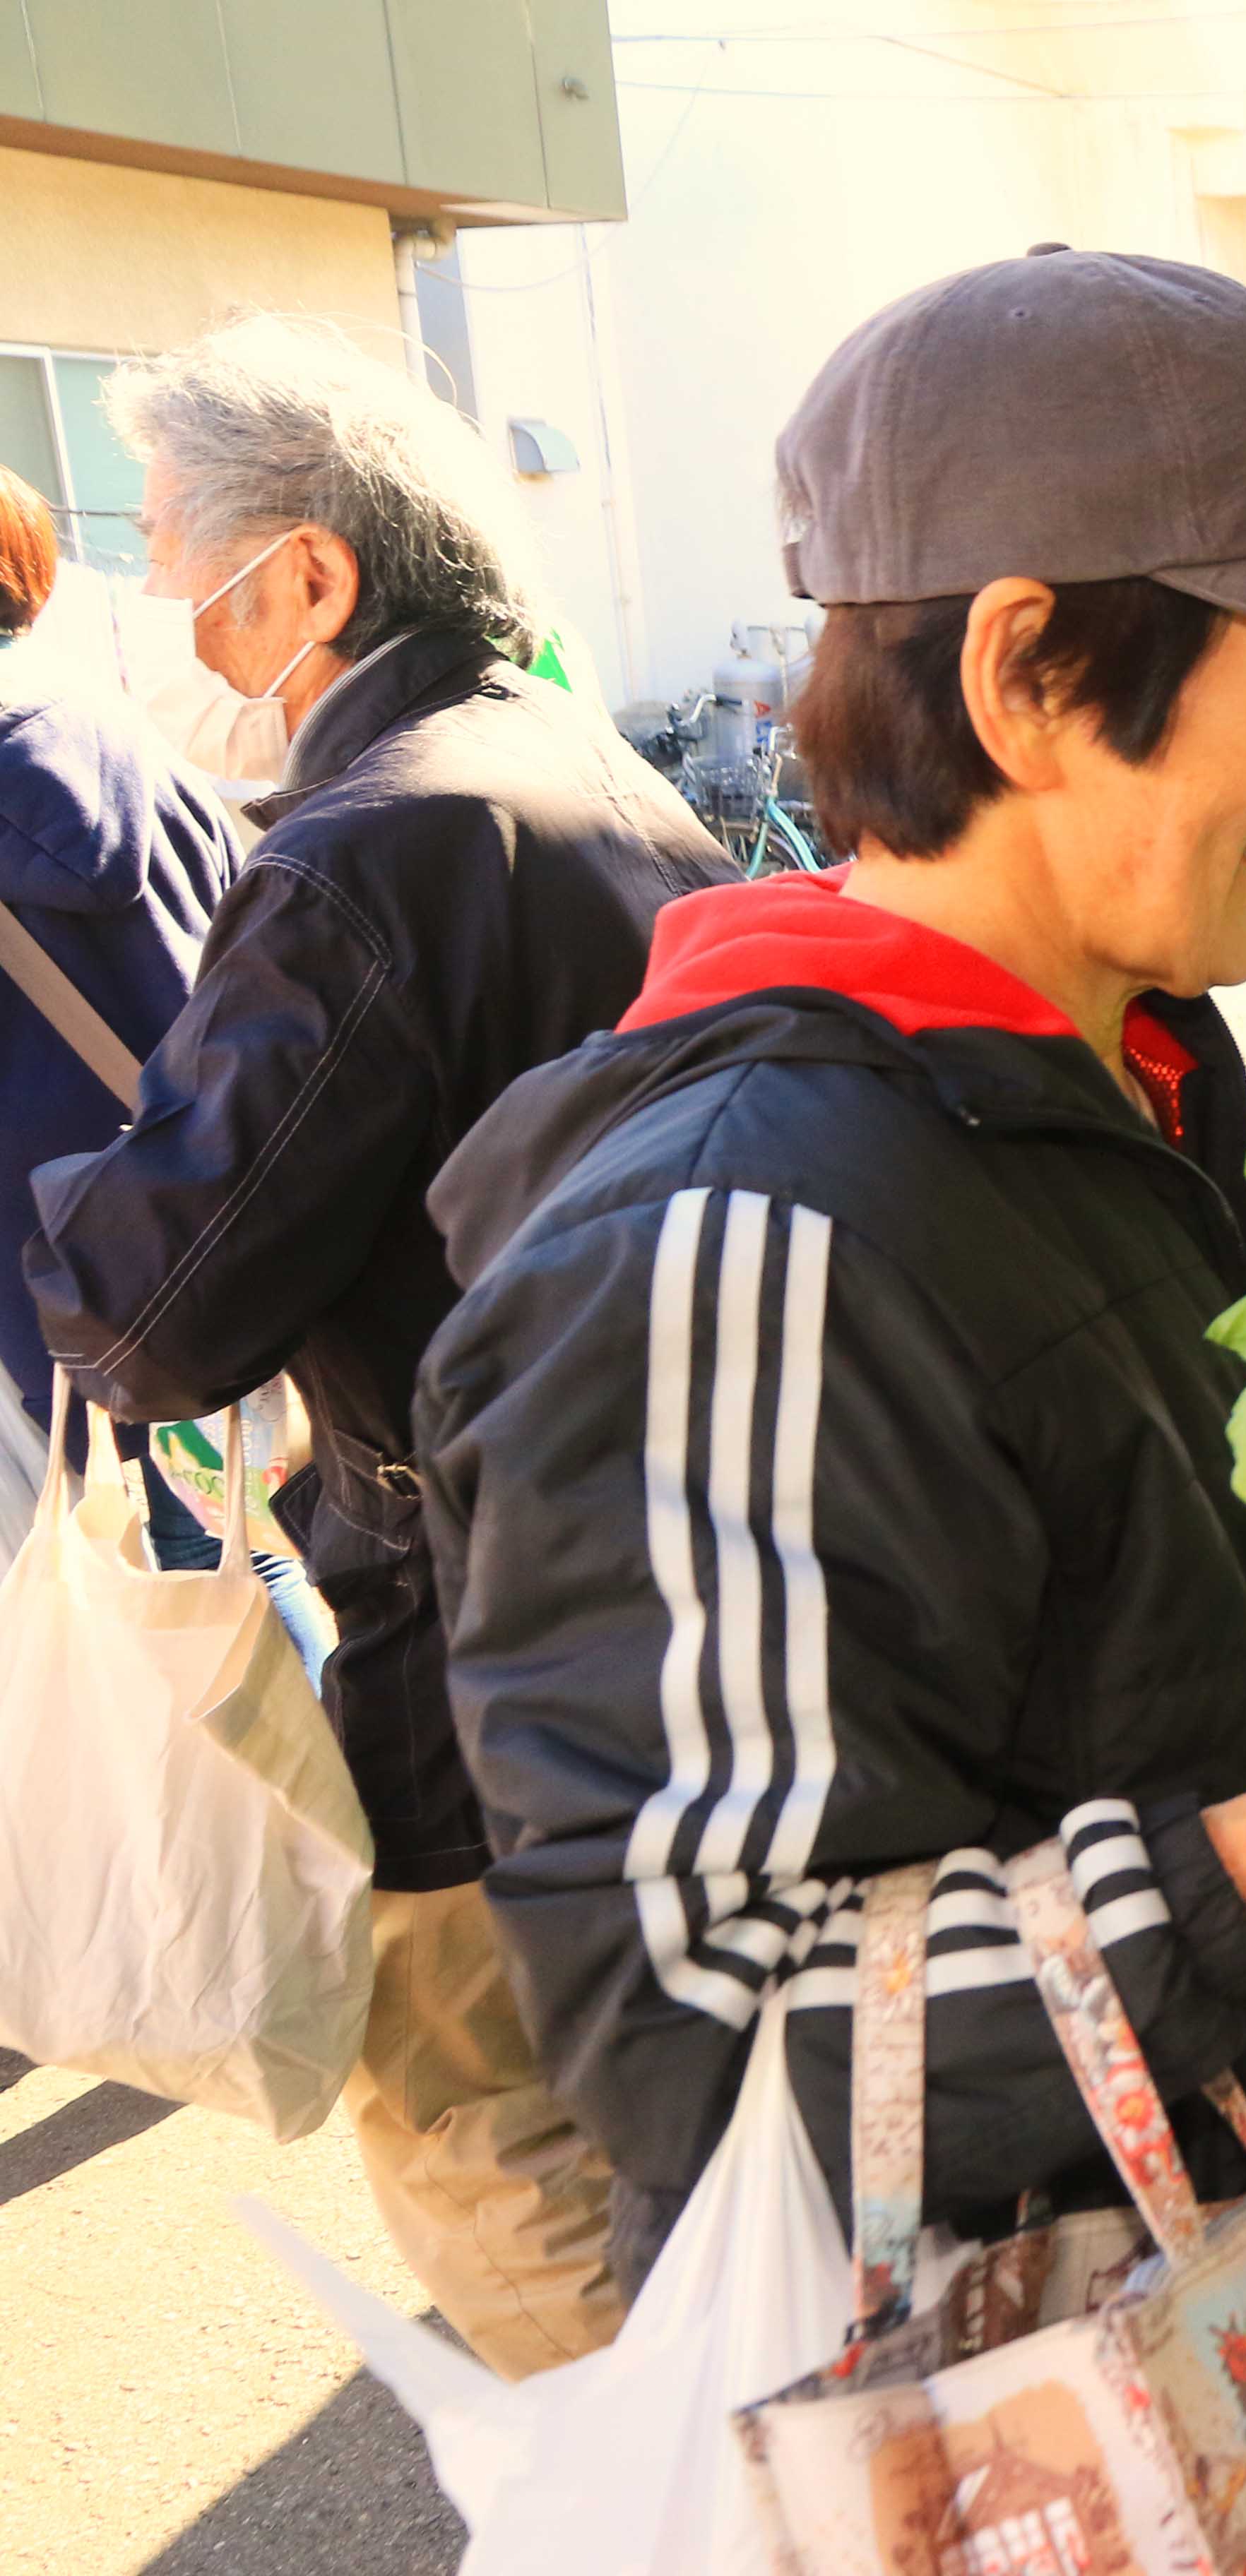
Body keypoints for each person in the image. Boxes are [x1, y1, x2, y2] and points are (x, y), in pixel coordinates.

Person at [412, 250, 1246, 2294]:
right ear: (1033, 678)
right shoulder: (739, 1230)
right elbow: (704, 2036)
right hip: (1012, 2446)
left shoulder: (1128, 1081)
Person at [22, 316, 734, 2375]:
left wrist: (79, 1187)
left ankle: (658, 2505)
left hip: (477, 1613)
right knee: (678, 2121)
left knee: (483, 2134)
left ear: (312, 577)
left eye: (171, 551)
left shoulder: (365, 848)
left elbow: (154, 1310)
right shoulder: (594, 773)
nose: (153, 610)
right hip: (686, 1570)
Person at [0, 466, 237, 1544]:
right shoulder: (138, 750)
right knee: (236, 1595)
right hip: (207, 1278)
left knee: (94, 1670)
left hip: (34, 1345)